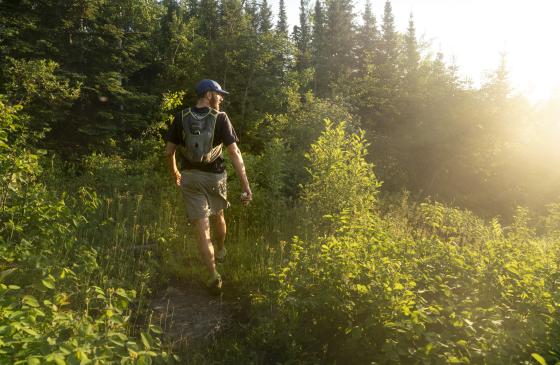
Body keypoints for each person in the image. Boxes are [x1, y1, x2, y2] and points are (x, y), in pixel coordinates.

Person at [164, 79, 252, 292]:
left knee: (201, 229)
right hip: (215, 177)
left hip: (190, 178)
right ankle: (220, 250)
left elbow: (168, 152)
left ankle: (213, 275)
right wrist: (245, 186)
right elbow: (234, 153)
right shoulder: (221, 118)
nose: (221, 97)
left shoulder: (181, 117)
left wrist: (175, 171)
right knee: (218, 216)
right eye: (218, 93)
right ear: (208, 94)